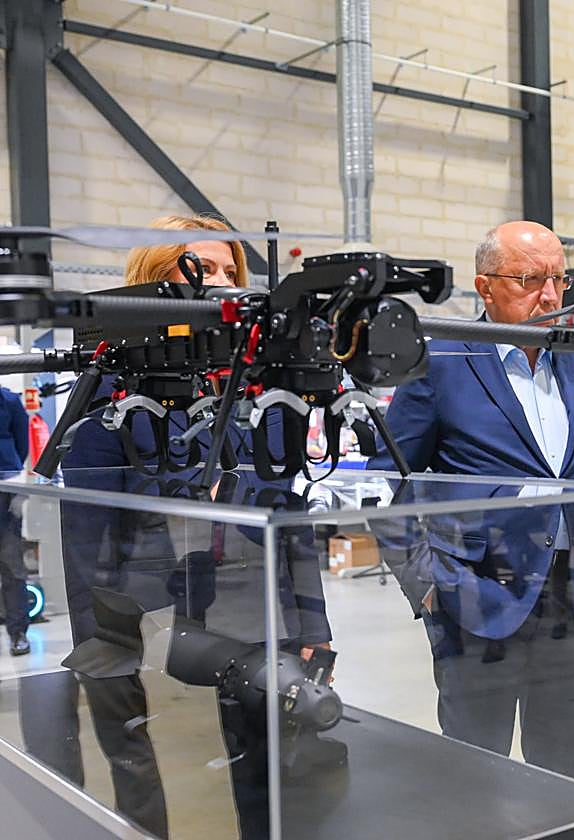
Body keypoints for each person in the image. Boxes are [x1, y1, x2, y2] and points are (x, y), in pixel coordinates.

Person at [39, 214, 331, 838]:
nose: (221, 282)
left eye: (230, 270)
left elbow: (291, 512)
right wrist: (103, 646)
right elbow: (88, 532)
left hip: (260, 621)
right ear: (153, 282)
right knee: (157, 789)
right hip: (153, 624)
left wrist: (315, 625)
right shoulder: (112, 386)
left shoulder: (262, 384)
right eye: (200, 269)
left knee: (271, 785)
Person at [368, 220, 574, 780]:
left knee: (561, 772)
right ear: (485, 287)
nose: (551, 296)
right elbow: (384, 481)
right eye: (530, 279)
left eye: (560, 279)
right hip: (475, 597)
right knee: (475, 773)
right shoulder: (441, 361)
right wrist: (427, 583)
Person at [0, 384, 30, 656]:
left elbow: (22, 445)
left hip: (5, 490)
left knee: (12, 565)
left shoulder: (8, 400)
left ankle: (18, 632)